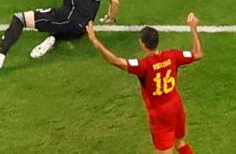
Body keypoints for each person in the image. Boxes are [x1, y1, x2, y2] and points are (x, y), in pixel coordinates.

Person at [86, 13, 203, 154]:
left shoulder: (143, 66)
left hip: (160, 114)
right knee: (179, 142)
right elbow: (197, 54)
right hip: (176, 106)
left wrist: (95, 42)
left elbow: (115, 61)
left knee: (165, 150)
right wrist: (193, 28)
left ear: (142, 43)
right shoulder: (173, 56)